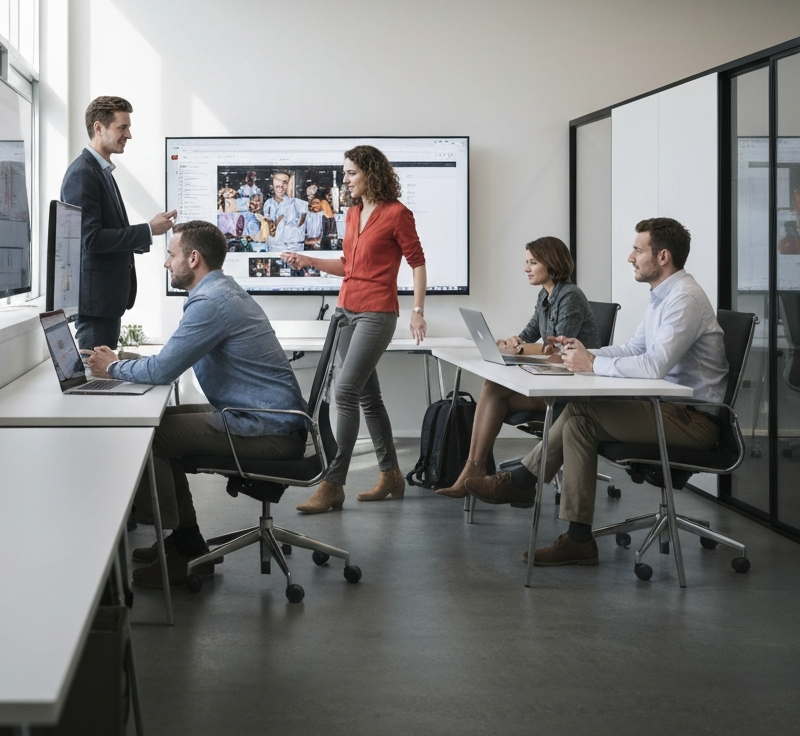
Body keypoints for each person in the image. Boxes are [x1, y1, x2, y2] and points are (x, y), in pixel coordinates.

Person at [466, 218, 728, 567]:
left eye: (638, 249)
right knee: (578, 421)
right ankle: (577, 539)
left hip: (693, 422)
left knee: (580, 412)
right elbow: (634, 348)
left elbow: (653, 366)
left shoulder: (684, 299)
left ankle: (523, 480)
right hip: (665, 410)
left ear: (663, 256)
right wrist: (586, 354)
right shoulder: (663, 296)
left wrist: (591, 365)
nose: (630, 257)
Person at [86, 220, 308, 587]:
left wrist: (111, 368)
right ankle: (183, 541)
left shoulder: (210, 303)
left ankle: (184, 551)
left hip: (267, 428)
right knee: (164, 423)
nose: (165, 263)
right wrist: (122, 360)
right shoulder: (221, 290)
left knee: (151, 438)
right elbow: (172, 357)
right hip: (270, 418)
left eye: (170, 255)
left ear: (193, 258)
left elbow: (162, 370)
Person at [281, 145, 427, 511]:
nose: (345, 180)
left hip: (377, 313)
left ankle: (333, 483)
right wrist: (308, 260)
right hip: (346, 310)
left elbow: (418, 263)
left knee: (344, 390)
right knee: (366, 395)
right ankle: (391, 474)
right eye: (345, 173)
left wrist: (418, 310)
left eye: (351, 173)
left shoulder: (397, 214)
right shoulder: (353, 213)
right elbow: (348, 265)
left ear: (371, 173)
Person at [437, 237, 598, 498]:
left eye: (533, 262)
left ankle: (478, 473)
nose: (526, 269)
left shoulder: (571, 297)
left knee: (494, 393)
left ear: (552, 264)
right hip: (552, 381)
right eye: (527, 262)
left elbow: (558, 350)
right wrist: (514, 343)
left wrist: (522, 350)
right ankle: (474, 470)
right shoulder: (544, 297)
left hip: (571, 389)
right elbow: (529, 334)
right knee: (493, 389)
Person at [61, 96, 177, 350]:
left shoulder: (101, 171)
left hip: (105, 303)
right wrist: (148, 230)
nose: (129, 135)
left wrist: (148, 231)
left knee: (102, 377)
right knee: (96, 381)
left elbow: (105, 233)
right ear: (99, 128)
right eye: (122, 128)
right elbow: (91, 241)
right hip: (96, 307)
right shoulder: (83, 174)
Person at [264, 172, 308, 252]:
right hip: (273, 248)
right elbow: (270, 229)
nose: (281, 186)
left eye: (284, 182)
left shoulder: (301, 204)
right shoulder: (268, 203)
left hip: (293, 249)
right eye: (277, 182)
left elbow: (300, 227)